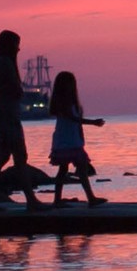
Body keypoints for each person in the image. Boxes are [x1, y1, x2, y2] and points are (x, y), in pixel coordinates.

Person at [41, 69, 109, 204]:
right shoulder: (63, 104)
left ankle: (88, 198)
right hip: (65, 141)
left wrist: (81, 139)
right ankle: (61, 200)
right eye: (70, 83)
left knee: (79, 169)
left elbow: (76, 123)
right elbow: (73, 119)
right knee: (66, 169)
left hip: (73, 141)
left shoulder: (73, 104)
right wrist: (93, 122)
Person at [0, 29, 33, 200]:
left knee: (3, 157)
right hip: (7, 117)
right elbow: (14, 91)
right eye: (16, 45)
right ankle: (31, 200)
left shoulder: (1, 63)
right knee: (20, 157)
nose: (18, 49)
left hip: (4, 115)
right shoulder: (5, 63)